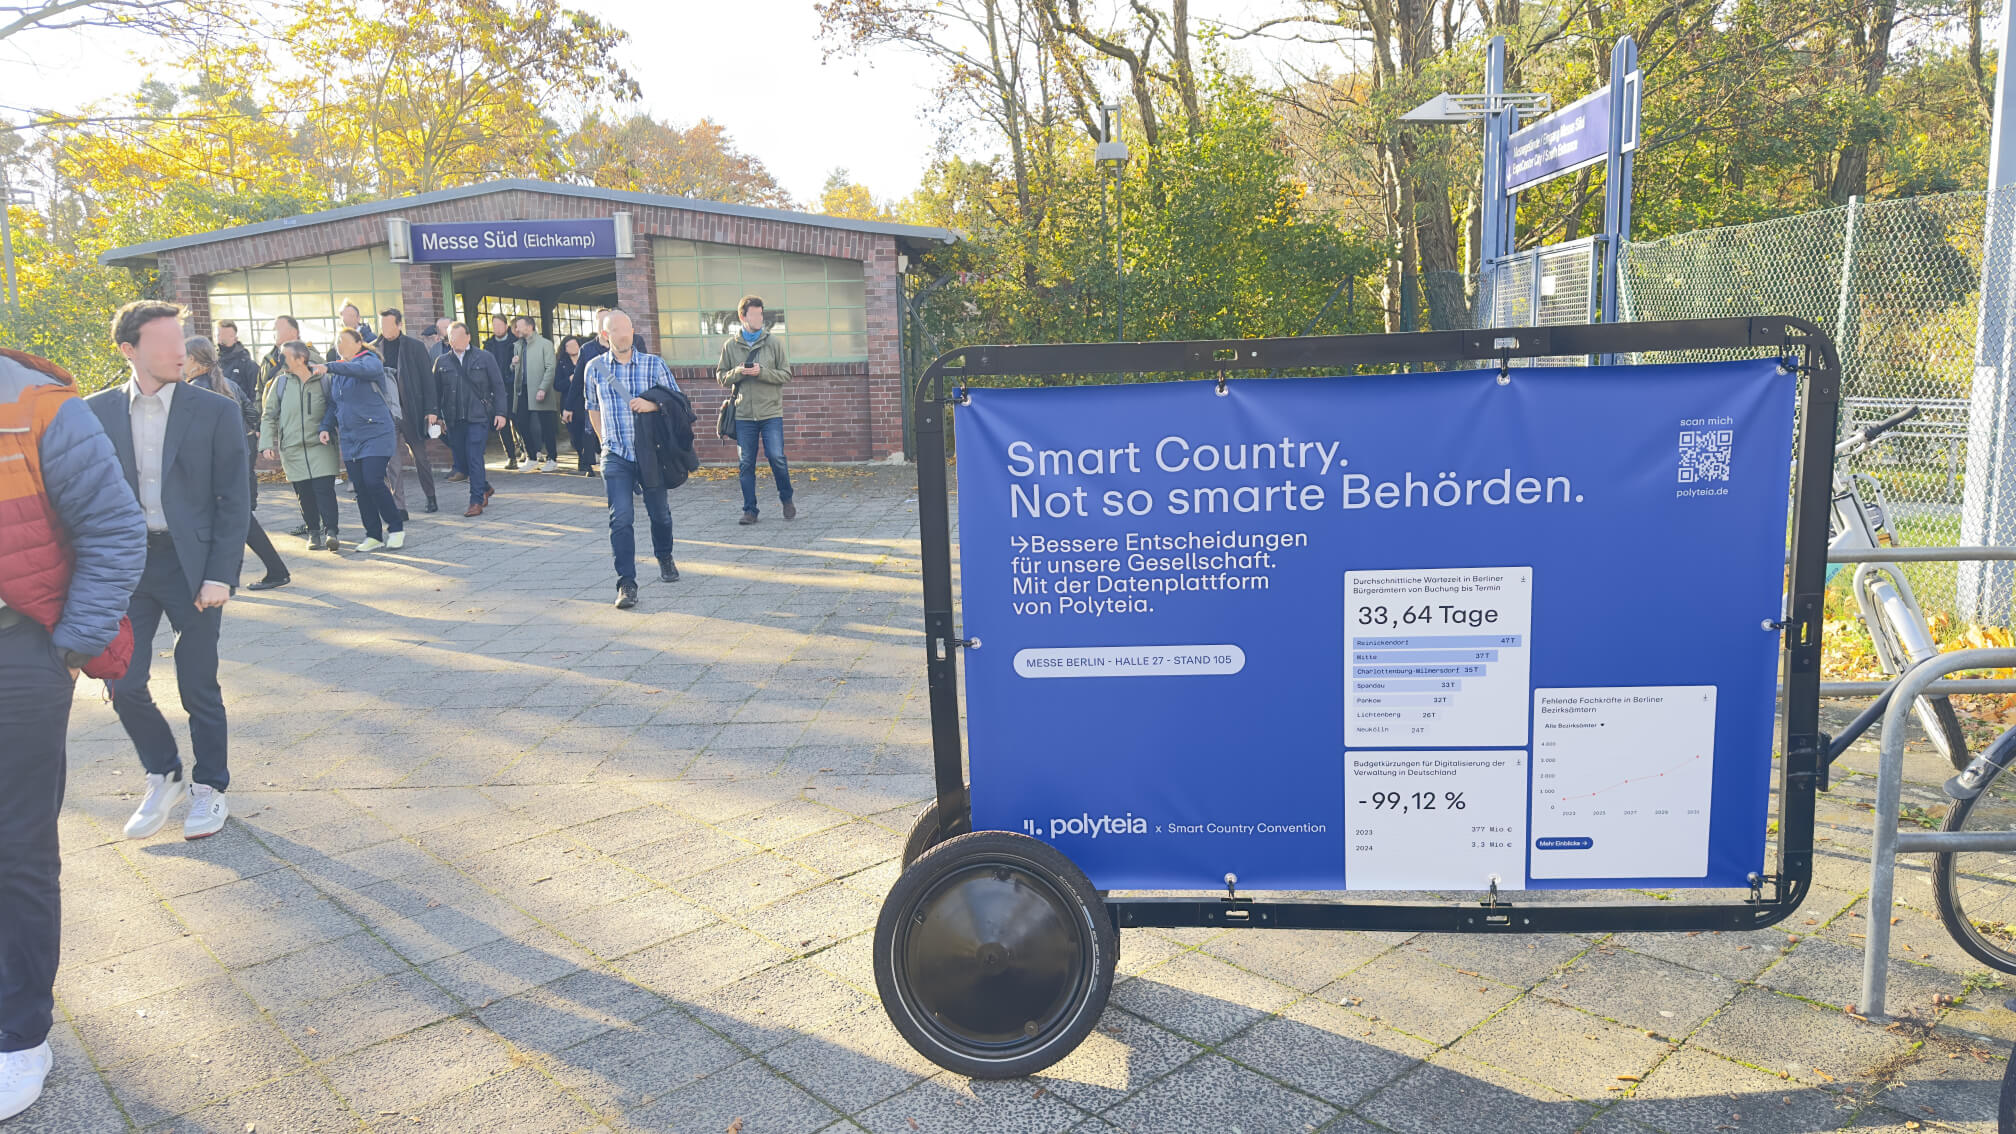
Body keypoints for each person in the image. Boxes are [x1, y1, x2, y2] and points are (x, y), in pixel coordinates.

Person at [0, 348, 145, 1124]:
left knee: (14, 844)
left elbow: (115, 526)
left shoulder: (39, 405)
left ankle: (19, 1032)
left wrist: (67, 645)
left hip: (17, 653)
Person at [83, 300, 250, 844]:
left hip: (194, 565)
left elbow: (233, 500)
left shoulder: (214, 411)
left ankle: (210, 787)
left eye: (181, 340)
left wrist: (221, 574)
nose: (179, 351)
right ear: (129, 350)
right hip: (126, 567)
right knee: (121, 680)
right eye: (164, 343)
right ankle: (164, 772)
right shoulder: (96, 413)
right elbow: (82, 499)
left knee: (197, 681)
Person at [584, 309, 680, 609]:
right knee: (621, 518)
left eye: (627, 329)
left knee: (659, 514)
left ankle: (664, 556)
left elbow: (676, 402)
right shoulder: (594, 368)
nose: (624, 335)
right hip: (616, 455)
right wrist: (604, 444)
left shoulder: (654, 364)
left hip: (651, 453)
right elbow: (592, 406)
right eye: (616, 331)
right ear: (605, 336)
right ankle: (627, 583)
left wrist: (651, 405)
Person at [184, 337, 289, 590]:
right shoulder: (225, 384)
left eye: (182, 357)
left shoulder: (196, 389)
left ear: (195, 361)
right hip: (234, 458)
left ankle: (268, 572)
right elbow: (251, 414)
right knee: (239, 520)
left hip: (214, 466)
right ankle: (274, 570)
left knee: (234, 521)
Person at [314, 329, 404, 551]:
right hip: (350, 438)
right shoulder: (339, 372)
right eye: (336, 342)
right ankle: (373, 535)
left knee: (373, 480)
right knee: (361, 487)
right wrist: (326, 427)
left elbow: (363, 370)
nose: (339, 345)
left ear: (358, 343)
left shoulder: (370, 361)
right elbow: (335, 405)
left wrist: (331, 367)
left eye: (343, 341)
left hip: (376, 432)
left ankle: (396, 527)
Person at [717, 295, 796, 525]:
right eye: (754, 314)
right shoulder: (730, 346)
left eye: (761, 314)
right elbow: (721, 377)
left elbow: (786, 375)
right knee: (746, 464)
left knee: (776, 457)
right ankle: (750, 510)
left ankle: (787, 499)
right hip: (743, 414)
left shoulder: (774, 343)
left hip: (770, 412)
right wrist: (739, 372)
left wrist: (762, 372)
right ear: (743, 317)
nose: (759, 318)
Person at [260, 342, 343, 551]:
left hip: (321, 446)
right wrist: (267, 443)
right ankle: (313, 532)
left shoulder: (324, 380)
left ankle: (331, 532)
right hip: (293, 448)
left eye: (284, 356)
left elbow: (335, 407)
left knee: (324, 490)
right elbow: (269, 415)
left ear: (300, 359)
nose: (280, 360)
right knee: (304, 493)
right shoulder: (280, 384)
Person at [429, 323, 508, 516]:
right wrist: (436, 416)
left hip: (478, 417)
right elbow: (435, 392)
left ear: (468, 337)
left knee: (474, 457)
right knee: (462, 462)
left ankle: (475, 502)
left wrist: (501, 413)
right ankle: (485, 487)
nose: (455, 341)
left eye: (459, 337)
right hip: (454, 419)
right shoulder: (442, 362)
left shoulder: (485, 357)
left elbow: (498, 386)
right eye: (451, 337)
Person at [377, 309, 440, 515]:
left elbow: (428, 381)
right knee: (392, 462)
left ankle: (430, 496)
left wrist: (432, 410)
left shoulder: (415, 347)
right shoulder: (374, 349)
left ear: (399, 325)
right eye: (382, 325)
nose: (385, 329)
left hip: (411, 411)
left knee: (420, 457)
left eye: (388, 325)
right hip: (387, 413)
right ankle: (400, 507)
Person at [511, 315, 559, 472]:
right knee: (522, 423)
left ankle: (552, 458)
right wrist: (513, 364)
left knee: (546, 426)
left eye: (519, 326)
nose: (516, 329)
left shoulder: (545, 344)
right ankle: (531, 457)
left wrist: (543, 388)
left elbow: (551, 368)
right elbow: (513, 370)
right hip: (522, 391)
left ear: (530, 326)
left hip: (539, 390)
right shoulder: (518, 345)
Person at [483, 315, 523, 470]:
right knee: (502, 423)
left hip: (513, 387)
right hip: (496, 389)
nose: (497, 328)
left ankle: (526, 450)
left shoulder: (516, 343)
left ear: (506, 326)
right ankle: (511, 456)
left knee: (519, 421)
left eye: (500, 325)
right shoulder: (488, 345)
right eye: (494, 325)